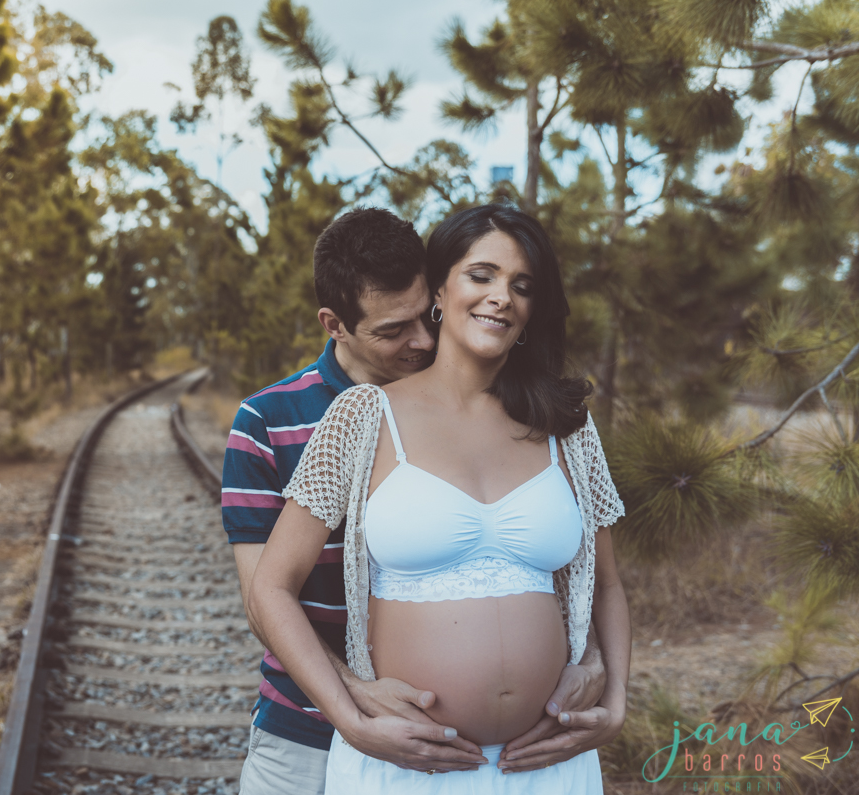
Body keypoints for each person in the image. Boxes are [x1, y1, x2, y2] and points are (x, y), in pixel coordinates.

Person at [223, 206, 617, 795]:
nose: (422, 341)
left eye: (522, 285)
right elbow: (267, 593)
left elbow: (587, 579)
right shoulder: (316, 418)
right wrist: (353, 712)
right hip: (340, 734)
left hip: (539, 760)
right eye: (481, 276)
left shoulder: (551, 419)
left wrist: (603, 679)